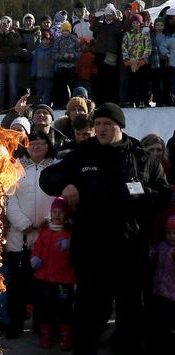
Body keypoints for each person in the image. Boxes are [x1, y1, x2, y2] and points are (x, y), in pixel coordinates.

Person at [39, 103, 169, 354]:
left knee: (129, 318)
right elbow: (48, 178)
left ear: (119, 126)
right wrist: (65, 185)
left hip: (130, 253)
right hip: (91, 252)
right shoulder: (82, 154)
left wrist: (142, 197)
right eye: (97, 124)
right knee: (88, 317)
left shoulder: (141, 157)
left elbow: (163, 195)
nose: (100, 129)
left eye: (106, 124)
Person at [2, 131, 57, 338]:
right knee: (17, 286)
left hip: (47, 234)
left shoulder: (55, 168)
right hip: (20, 237)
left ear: (47, 145)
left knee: (44, 286)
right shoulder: (16, 168)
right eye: (32, 142)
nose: (36, 146)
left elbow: (59, 199)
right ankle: (15, 325)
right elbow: (9, 198)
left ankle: (42, 327)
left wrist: (50, 221)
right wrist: (23, 223)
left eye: (41, 142)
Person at [29, 197, 76, 350]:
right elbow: (37, 247)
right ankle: (46, 335)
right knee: (45, 308)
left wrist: (70, 246)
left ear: (66, 215)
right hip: (45, 278)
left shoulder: (70, 234)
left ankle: (66, 336)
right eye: (54, 212)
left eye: (60, 212)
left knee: (64, 309)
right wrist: (35, 257)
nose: (56, 215)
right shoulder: (45, 232)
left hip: (63, 280)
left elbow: (77, 254)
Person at [147, 214, 175, 352]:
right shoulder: (162, 246)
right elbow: (152, 257)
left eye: (174, 233)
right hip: (159, 292)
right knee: (161, 323)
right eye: (169, 233)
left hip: (172, 295)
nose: (172, 236)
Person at [121, 14, 151, 107]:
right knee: (131, 82)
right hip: (131, 62)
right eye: (133, 22)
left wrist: (144, 59)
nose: (135, 24)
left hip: (141, 62)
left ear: (140, 23)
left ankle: (142, 100)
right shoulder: (127, 34)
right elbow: (124, 46)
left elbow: (148, 47)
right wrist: (126, 59)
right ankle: (130, 100)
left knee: (142, 82)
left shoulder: (145, 34)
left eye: (137, 22)